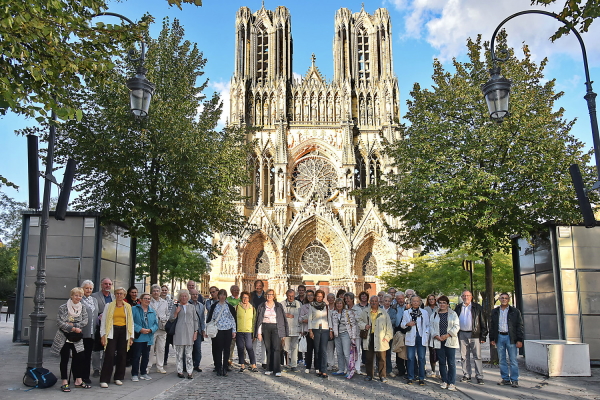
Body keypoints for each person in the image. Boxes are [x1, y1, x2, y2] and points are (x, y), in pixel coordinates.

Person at [51, 287, 90, 392]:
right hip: (64, 336)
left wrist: (73, 325)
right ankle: (64, 381)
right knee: (64, 358)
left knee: (80, 358)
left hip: (76, 337)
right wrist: (72, 328)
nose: (78, 297)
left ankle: (78, 380)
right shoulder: (63, 307)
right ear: (71, 295)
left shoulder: (83, 308)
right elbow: (60, 322)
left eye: (80, 296)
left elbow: (85, 321)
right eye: (76, 295)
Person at [99, 287, 134, 388]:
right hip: (112, 331)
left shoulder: (127, 306)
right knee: (109, 354)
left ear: (124, 295)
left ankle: (118, 377)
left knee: (122, 355)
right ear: (115, 295)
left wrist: (131, 337)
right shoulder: (109, 306)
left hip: (124, 331)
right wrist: (103, 335)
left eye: (121, 294)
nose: (119, 295)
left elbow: (131, 323)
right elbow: (104, 321)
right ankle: (104, 379)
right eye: (117, 293)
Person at [490, 292, 524, 388]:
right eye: (502, 298)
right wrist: (492, 338)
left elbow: (519, 326)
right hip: (500, 337)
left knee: (513, 359)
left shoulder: (515, 311)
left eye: (506, 298)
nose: (504, 299)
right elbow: (492, 326)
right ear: (499, 299)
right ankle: (505, 378)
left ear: (508, 299)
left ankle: (514, 380)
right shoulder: (495, 311)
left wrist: (519, 339)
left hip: (511, 337)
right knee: (502, 359)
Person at [454, 290, 488, 385]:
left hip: (475, 334)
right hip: (462, 334)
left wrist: (483, 335)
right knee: (464, 356)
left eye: (468, 296)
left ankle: (479, 376)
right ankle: (466, 375)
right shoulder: (458, 307)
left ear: (471, 297)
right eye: (464, 296)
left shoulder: (477, 307)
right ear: (461, 297)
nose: (466, 297)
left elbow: (483, 321)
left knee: (477, 356)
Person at [358, 295, 393, 383]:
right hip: (369, 337)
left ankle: (382, 376)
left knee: (381, 358)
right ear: (370, 302)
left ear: (378, 302)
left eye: (375, 301)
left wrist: (387, 337)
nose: (374, 302)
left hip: (381, 338)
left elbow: (389, 326)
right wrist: (364, 326)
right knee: (368, 358)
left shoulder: (383, 313)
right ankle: (369, 375)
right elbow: (359, 321)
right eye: (372, 301)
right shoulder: (365, 312)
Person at [256, 289, 289, 377]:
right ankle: (269, 368)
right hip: (266, 327)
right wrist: (259, 333)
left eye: (271, 294)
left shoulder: (278, 306)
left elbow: (283, 319)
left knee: (276, 348)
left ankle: (277, 369)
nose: (269, 296)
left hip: (276, 327)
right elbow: (259, 320)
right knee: (268, 348)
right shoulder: (262, 306)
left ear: (274, 296)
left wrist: (284, 332)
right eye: (267, 294)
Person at [429, 295, 460, 391]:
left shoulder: (453, 314)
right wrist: (436, 335)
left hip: (449, 340)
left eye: (444, 303)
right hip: (438, 341)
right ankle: (444, 380)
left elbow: (456, 326)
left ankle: (451, 382)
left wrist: (447, 335)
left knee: (451, 362)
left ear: (447, 304)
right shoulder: (434, 314)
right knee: (442, 362)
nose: (442, 304)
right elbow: (431, 326)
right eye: (440, 303)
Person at [206, 289, 237, 376]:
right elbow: (211, 318)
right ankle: (218, 367)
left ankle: (225, 367)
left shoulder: (229, 306)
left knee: (227, 349)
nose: (222, 297)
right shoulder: (214, 306)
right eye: (221, 295)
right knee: (218, 349)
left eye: (224, 295)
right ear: (218, 296)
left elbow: (233, 319)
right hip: (218, 329)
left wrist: (234, 330)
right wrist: (207, 328)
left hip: (228, 329)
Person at [169, 289, 198, 379]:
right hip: (179, 332)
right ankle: (180, 371)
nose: (184, 297)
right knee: (179, 354)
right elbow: (171, 319)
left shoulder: (192, 307)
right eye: (182, 296)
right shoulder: (176, 306)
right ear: (179, 297)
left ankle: (190, 371)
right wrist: (176, 312)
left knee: (189, 354)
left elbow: (195, 319)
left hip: (189, 332)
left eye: (185, 296)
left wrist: (195, 331)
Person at [401, 295, 430, 385]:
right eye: (414, 301)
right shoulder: (407, 312)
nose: (416, 303)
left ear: (420, 302)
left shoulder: (424, 312)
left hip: (421, 337)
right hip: (411, 336)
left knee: (421, 358)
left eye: (417, 301)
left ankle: (421, 377)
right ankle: (410, 376)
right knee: (410, 358)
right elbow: (402, 325)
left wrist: (426, 333)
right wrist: (408, 324)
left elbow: (428, 325)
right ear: (411, 302)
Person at [131, 293, 159, 382]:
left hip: (148, 336)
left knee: (146, 356)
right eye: (145, 298)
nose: (147, 300)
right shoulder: (134, 309)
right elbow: (130, 322)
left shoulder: (152, 311)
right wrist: (139, 329)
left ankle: (144, 373)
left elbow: (156, 324)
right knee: (136, 356)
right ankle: (134, 374)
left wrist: (151, 330)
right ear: (141, 299)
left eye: (149, 299)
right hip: (139, 336)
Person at [91, 277, 114, 378]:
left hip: (110, 326)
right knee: (96, 348)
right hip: (98, 325)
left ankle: (104, 367)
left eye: (109, 284)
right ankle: (96, 369)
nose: (107, 286)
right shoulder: (94, 296)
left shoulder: (113, 296)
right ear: (101, 285)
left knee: (107, 348)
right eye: (106, 284)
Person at [308, 289, 331, 378]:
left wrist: (331, 330)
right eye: (317, 296)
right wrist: (310, 331)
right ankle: (318, 368)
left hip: (325, 329)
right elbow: (310, 319)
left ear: (323, 297)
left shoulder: (326, 306)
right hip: (315, 329)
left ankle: (324, 370)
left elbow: (329, 318)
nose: (319, 298)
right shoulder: (312, 306)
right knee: (317, 350)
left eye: (321, 296)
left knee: (323, 350)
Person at [80, 280, 98, 385]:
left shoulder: (94, 300)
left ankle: (85, 376)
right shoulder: (79, 299)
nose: (89, 290)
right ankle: (78, 375)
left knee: (88, 355)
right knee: (79, 355)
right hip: (82, 332)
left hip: (92, 333)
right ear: (82, 288)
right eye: (87, 288)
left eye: (90, 288)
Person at [236, 291, 258, 372]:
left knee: (249, 347)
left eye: (247, 297)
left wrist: (254, 333)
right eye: (244, 297)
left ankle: (253, 364)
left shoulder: (252, 308)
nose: (245, 299)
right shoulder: (237, 307)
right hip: (239, 330)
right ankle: (242, 365)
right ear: (241, 298)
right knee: (240, 348)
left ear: (249, 299)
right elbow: (234, 319)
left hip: (249, 331)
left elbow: (254, 321)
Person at [149, 284, 169, 374]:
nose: (156, 292)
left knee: (161, 348)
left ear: (160, 292)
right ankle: (148, 366)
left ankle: (160, 366)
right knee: (150, 348)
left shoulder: (164, 302)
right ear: (151, 292)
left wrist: (165, 320)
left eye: (157, 291)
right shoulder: (149, 301)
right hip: (151, 328)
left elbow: (167, 313)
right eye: (154, 291)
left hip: (162, 327)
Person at [343, 292, 362, 378]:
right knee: (346, 351)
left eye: (348, 299)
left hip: (356, 332)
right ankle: (348, 367)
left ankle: (357, 367)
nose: (346, 300)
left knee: (357, 349)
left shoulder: (357, 309)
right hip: (346, 332)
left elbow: (361, 319)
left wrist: (354, 316)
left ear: (352, 299)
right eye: (345, 299)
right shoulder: (344, 309)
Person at [282, 289, 302, 372]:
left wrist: (301, 329)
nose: (291, 297)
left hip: (295, 329)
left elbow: (301, 316)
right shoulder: (282, 304)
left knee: (295, 348)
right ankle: (286, 364)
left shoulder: (298, 304)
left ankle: (294, 365)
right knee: (285, 348)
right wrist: (285, 314)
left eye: (292, 296)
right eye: (289, 296)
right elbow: (279, 315)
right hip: (286, 329)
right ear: (286, 295)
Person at [299, 289, 317, 373]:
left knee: (317, 349)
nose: (310, 297)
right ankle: (308, 366)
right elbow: (300, 318)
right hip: (307, 330)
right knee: (309, 349)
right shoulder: (304, 306)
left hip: (316, 329)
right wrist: (305, 320)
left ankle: (317, 366)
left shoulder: (318, 305)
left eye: (311, 295)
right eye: (308, 295)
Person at [250, 280, 267, 368]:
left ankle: (264, 361)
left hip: (264, 319)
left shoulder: (266, 295)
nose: (258, 287)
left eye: (260, 285)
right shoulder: (251, 295)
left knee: (264, 341)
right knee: (253, 341)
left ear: (263, 286)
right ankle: (253, 361)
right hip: (253, 319)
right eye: (257, 285)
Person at [190, 289, 207, 373]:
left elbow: (202, 318)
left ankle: (196, 364)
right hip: (189, 330)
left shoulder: (201, 305)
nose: (195, 296)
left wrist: (203, 329)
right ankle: (188, 364)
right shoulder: (188, 304)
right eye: (193, 294)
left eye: (196, 294)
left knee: (197, 348)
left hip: (198, 330)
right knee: (189, 349)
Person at [381, 294, 397, 377]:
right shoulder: (379, 309)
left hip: (388, 334)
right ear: (383, 301)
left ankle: (389, 370)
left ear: (391, 302)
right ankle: (380, 369)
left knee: (388, 353)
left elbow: (393, 321)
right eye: (385, 301)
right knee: (380, 353)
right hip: (379, 334)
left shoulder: (393, 311)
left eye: (389, 301)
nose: (387, 302)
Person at [226, 285, 241, 368]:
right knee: (231, 343)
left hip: (240, 324)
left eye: (237, 290)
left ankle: (242, 358)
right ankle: (229, 359)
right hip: (231, 324)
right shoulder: (228, 300)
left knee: (242, 344)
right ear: (231, 291)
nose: (236, 291)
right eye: (234, 290)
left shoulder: (241, 299)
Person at [424, 294, 439, 378]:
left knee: (439, 352)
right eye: (430, 299)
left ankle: (440, 370)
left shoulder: (439, 308)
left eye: (433, 299)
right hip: (429, 333)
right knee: (432, 352)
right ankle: (433, 370)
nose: (431, 301)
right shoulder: (425, 309)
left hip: (438, 332)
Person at [326, 292, 337, 371]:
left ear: (334, 299)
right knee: (330, 348)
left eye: (332, 297)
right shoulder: (325, 307)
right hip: (328, 330)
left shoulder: (338, 307)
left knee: (339, 349)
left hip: (337, 330)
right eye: (329, 298)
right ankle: (330, 363)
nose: (330, 299)